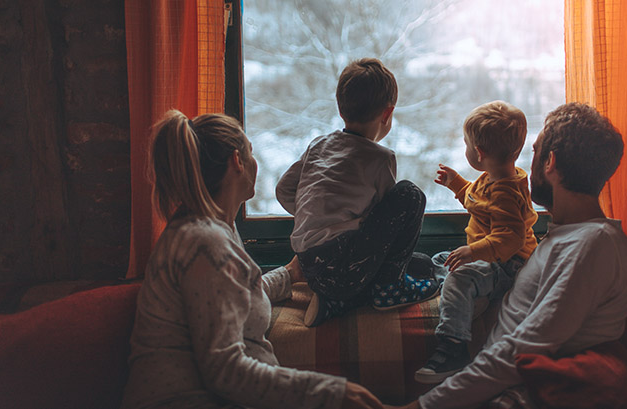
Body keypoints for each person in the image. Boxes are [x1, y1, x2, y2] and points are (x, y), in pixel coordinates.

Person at [121, 110, 383, 409]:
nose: (254, 163)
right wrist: (332, 393)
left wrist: (288, 274)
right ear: (237, 161)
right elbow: (225, 370)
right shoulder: (205, 243)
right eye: (251, 153)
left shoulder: (214, 229)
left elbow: (231, 299)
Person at [389, 102, 627, 409]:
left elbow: (522, 350)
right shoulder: (564, 238)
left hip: (519, 394)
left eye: (532, 152)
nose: (521, 165)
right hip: (495, 387)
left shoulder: (593, 244)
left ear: (551, 162)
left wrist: (421, 406)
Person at [276, 58, 440, 328]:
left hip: (310, 267)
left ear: (341, 110)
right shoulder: (381, 158)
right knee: (411, 194)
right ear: (387, 114)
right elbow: (387, 225)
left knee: (421, 264)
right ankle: (390, 290)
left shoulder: (319, 145)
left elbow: (283, 190)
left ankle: (335, 302)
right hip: (345, 266)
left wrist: (316, 214)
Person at [414, 101, 539, 384]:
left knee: (459, 278)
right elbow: (480, 201)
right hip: (491, 258)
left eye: (466, 145)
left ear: (479, 153)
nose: (466, 150)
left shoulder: (506, 191)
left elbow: (510, 237)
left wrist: (473, 251)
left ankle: (453, 347)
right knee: (441, 260)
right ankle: (469, 296)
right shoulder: (497, 177)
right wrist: (457, 183)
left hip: (507, 265)